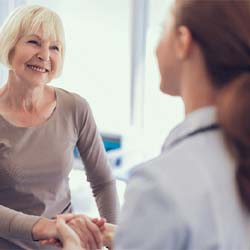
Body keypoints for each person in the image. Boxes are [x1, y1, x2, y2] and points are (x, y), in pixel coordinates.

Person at [55, 0, 250, 249]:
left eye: (162, 28)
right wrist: (130, 234)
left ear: (182, 41)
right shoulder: (234, 157)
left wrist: (74, 245)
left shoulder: (161, 185)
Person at [0, 4, 119, 250]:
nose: (45, 55)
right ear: (10, 46)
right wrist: (44, 227)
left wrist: (117, 240)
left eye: (55, 47)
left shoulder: (75, 108)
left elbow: (103, 182)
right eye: (34, 42)